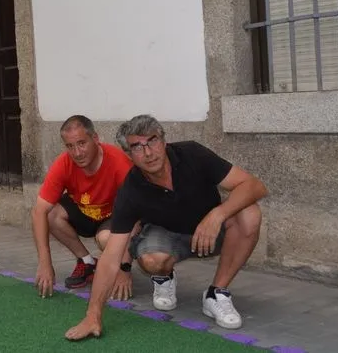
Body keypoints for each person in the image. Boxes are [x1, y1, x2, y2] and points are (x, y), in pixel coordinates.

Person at [65, 114, 267, 341]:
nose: (148, 153)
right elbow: (111, 256)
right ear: (129, 154)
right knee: (151, 260)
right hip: (166, 236)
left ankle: (216, 293)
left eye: (152, 141)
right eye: (137, 147)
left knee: (249, 213)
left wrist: (217, 215)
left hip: (208, 232)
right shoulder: (130, 190)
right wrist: (93, 315)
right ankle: (163, 277)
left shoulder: (192, 153)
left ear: (163, 140)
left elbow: (254, 186)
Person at [31, 115, 135, 298]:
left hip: (112, 217)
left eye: (81, 143)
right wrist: (45, 262)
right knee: (49, 214)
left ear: (95, 138)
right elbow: (38, 211)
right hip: (84, 213)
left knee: (106, 239)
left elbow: (135, 215)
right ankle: (87, 262)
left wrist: (124, 268)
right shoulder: (64, 163)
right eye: (70, 146)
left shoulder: (119, 162)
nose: (77, 153)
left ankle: (115, 263)